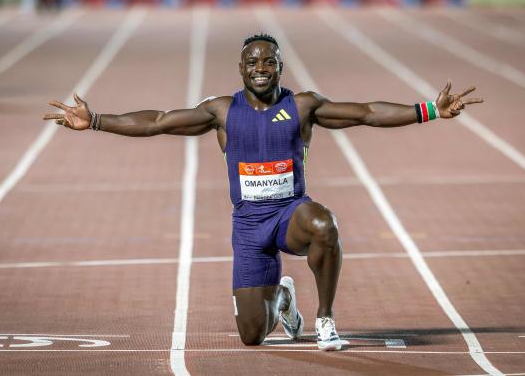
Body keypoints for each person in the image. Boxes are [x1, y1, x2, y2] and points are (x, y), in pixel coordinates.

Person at [43, 34, 483, 350]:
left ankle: (326, 318)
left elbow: (367, 113)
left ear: (279, 68)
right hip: (249, 225)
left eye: (268, 62)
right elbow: (157, 121)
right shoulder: (221, 111)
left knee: (324, 223)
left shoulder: (303, 105)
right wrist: (96, 120)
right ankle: (284, 296)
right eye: (252, 62)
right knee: (253, 336)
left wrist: (428, 110)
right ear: (240, 69)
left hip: (290, 214)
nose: (260, 68)